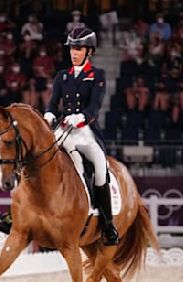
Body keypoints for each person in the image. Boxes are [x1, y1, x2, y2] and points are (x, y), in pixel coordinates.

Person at [44, 27, 119, 245]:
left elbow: (94, 108)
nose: (73, 53)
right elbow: (52, 104)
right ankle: (18, 213)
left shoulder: (97, 76)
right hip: (62, 130)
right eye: (72, 49)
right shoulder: (62, 76)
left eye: (78, 49)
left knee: (99, 166)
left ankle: (107, 223)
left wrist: (79, 117)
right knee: (37, 156)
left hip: (84, 131)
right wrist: (49, 116)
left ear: (89, 51)